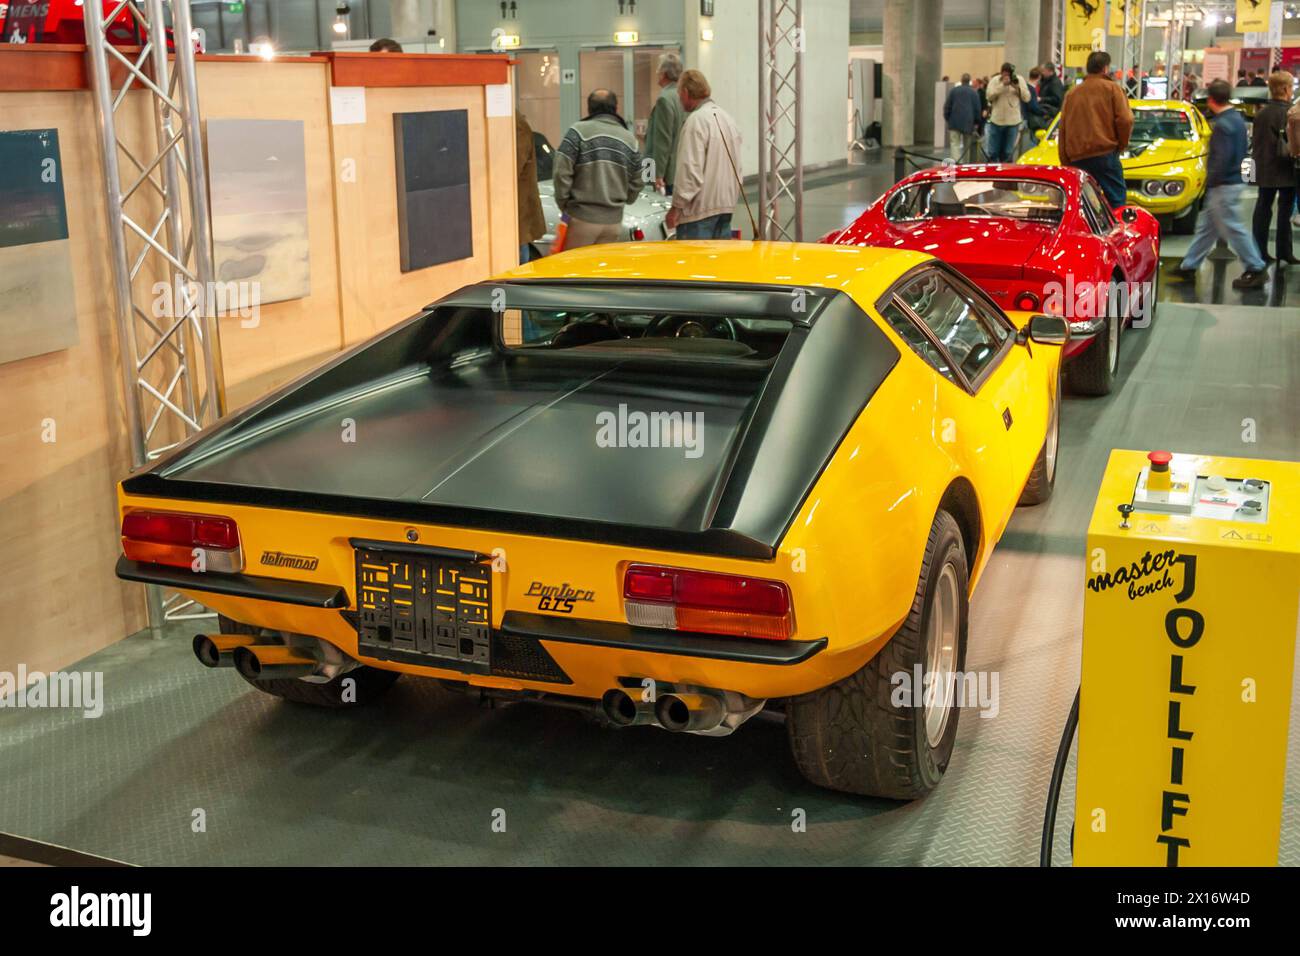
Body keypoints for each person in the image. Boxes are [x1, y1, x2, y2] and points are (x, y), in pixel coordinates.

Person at [1171, 79, 1268, 289]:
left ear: (1211, 100)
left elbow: (1221, 159)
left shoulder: (1223, 126)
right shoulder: (1237, 120)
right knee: (1207, 229)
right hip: (1233, 182)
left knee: (1233, 228)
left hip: (1223, 185)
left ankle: (1256, 267)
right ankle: (1189, 266)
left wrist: (1210, 183)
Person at [552, 89, 643, 249]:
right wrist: (626, 198)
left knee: (575, 270)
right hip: (614, 223)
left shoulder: (577, 132)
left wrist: (564, 203)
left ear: (589, 108)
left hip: (581, 219)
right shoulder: (630, 140)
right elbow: (637, 181)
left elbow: (561, 172)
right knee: (600, 272)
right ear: (615, 109)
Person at [668, 69, 742, 240]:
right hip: (725, 208)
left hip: (698, 213)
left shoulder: (696, 121)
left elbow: (690, 170)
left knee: (694, 266)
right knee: (717, 265)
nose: (679, 99)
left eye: (679, 94)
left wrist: (676, 207)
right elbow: (738, 168)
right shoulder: (728, 119)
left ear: (686, 93)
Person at [1057, 50, 1133, 207]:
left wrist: (1065, 160)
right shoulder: (1113, 89)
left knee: (1082, 205)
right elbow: (1126, 120)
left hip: (1077, 158)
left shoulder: (1072, 94)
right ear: (1105, 68)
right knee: (1116, 202)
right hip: (1105, 155)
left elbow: (1063, 127)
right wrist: (1121, 145)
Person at [1250, 71, 1298, 265]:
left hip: (1264, 169)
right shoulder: (1292, 112)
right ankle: (1284, 252)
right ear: (1286, 89)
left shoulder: (1261, 113)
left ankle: (1259, 251)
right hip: (1286, 168)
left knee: (1263, 209)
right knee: (1285, 212)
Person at [645, 52, 687, 196]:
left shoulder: (664, 99)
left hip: (665, 173)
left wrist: (658, 174)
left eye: (658, 70)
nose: (656, 73)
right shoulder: (682, 95)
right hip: (679, 169)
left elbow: (662, 141)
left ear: (663, 73)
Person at [985, 62, 1030, 162]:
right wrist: (1002, 86)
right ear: (1001, 73)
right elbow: (988, 96)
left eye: (1008, 74)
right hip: (996, 121)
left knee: (1008, 153)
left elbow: (1027, 98)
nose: (1006, 76)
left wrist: (1016, 87)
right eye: (1004, 74)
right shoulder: (994, 81)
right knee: (993, 152)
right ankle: (993, 172)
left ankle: (1006, 171)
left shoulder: (1019, 80)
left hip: (1013, 122)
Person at [516, 113, 545, 262]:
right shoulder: (513, 121)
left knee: (518, 260)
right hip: (515, 211)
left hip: (517, 209)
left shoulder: (515, 124)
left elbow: (512, 168)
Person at [943, 74, 982, 163]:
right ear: (969, 81)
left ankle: (957, 162)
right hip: (968, 123)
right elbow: (977, 109)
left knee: (954, 144)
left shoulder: (953, 91)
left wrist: (948, 118)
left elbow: (947, 106)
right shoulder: (974, 92)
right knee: (967, 145)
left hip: (954, 121)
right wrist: (976, 122)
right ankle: (965, 164)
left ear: (961, 80)